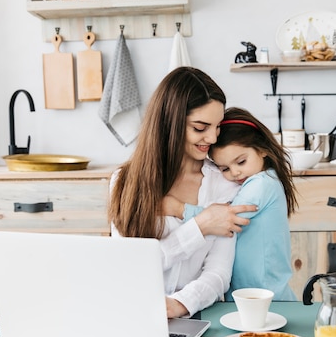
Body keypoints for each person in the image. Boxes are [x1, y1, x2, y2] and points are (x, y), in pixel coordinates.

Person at [108, 67, 257, 319]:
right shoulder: (125, 182)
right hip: (133, 313)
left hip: (198, 315)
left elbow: (219, 272)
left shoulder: (226, 184)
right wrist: (200, 226)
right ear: (170, 123)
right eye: (200, 128)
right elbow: (130, 265)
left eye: (218, 127)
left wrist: (182, 304)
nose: (211, 138)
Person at [167, 107, 298, 301]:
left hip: (269, 297)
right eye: (225, 168)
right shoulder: (250, 182)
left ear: (262, 149)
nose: (235, 173)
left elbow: (224, 218)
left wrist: (178, 208)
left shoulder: (263, 183)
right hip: (246, 297)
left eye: (241, 161)